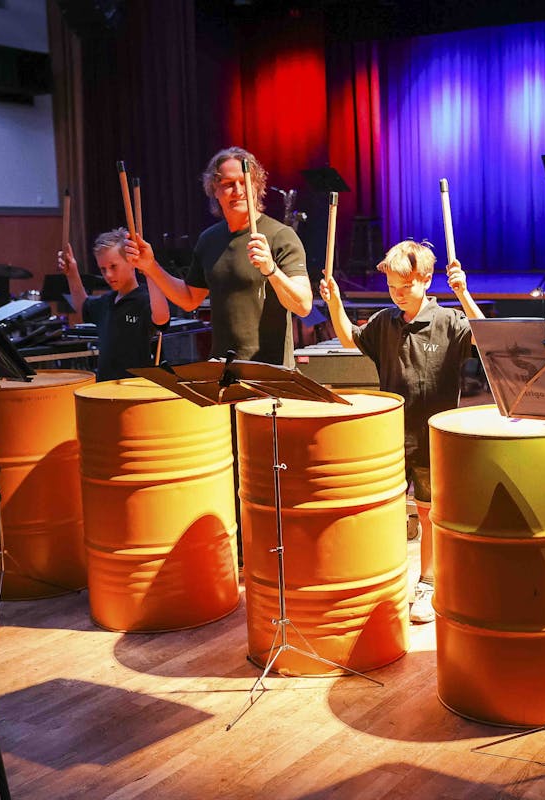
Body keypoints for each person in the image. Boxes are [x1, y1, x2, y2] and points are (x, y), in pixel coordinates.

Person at [319, 240, 484, 623]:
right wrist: (335, 302)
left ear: (426, 279)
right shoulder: (384, 322)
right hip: (391, 437)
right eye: (392, 286)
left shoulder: (448, 321)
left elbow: (485, 337)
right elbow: (349, 339)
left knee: (428, 514)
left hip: (431, 439)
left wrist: (463, 293)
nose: (397, 293)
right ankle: (385, 581)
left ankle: (428, 582)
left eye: (405, 286)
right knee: (385, 512)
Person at [133, 147, 312, 366]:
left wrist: (271, 270)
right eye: (228, 184)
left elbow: (303, 305)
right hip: (222, 369)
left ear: (256, 186)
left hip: (270, 372)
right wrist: (151, 266)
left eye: (244, 182)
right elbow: (189, 299)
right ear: (214, 190)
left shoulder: (281, 236)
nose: (238, 190)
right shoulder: (209, 240)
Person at [58, 228, 169, 382]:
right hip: (106, 388)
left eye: (113, 266)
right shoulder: (107, 301)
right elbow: (83, 306)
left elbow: (162, 318)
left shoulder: (145, 300)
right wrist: (72, 273)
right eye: (103, 269)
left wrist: (149, 268)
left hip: (138, 389)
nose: (108, 275)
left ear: (132, 262)